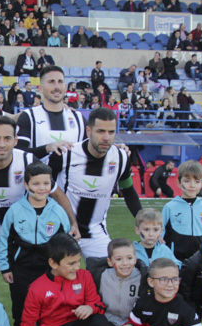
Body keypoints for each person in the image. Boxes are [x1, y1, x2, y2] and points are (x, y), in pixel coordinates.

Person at [0, 115, 74, 272]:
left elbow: (55, 192)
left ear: (15, 140)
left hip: (24, 227)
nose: (2, 144)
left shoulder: (28, 160)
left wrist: (73, 223)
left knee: (33, 278)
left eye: (7, 138)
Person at [0, 162, 71, 326]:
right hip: (21, 270)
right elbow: (4, 240)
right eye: (36, 183)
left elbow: (66, 243)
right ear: (26, 183)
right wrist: (5, 268)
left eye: (46, 183)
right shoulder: (15, 211)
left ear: (51, 184)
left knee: (51, 311)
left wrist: (64, 270)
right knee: (21, 312)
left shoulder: (57, 211)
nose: (41, 188)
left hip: (48, 272)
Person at [49, 108, 143, 263]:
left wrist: (143, 221)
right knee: (59, 281)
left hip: (96, 232)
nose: (106, 137)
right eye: (100, 131)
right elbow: (44, 186)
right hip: (63, 230)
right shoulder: (67, 154)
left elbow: (128, 191)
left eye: (111, 132)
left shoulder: (121, 158)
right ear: (88, 131)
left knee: (110, 275)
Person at [93, 238, 143, 326]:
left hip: (132, 322)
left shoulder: (142, 277)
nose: (125, 263)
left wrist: (132, 323)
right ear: (110, 261)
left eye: (129, 258)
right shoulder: (102, 276)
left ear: (135, 259)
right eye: (119, 259)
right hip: (110, 319)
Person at [16, 65, 85, 158]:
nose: (57, 87)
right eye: (51, 82)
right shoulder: (28, 117)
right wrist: (47, 148)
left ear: (65, 86)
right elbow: (18, 154)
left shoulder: (78, 118)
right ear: (40, 88)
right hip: (37, 172)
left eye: (60, 82)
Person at [161, 160, 202, 261]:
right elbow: (160, 233)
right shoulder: (170, 207)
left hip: (199, 258)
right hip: (174, 259)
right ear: (179, 183)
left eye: (197, 181)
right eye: (187, 181)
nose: (192, 185)